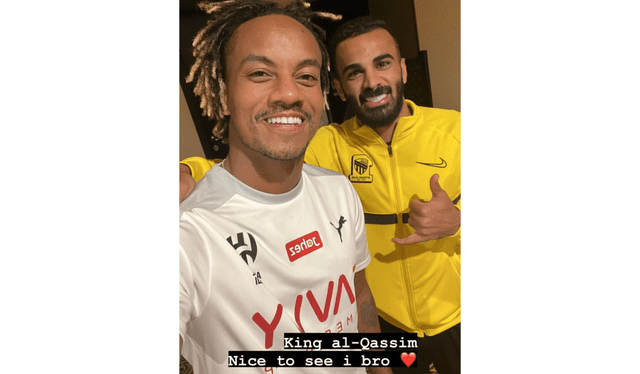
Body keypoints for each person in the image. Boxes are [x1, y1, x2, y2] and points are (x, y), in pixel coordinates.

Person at [181, 15, 460, 374]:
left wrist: (458, 223)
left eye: (383, 64)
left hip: (455, 316)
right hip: (387, 325)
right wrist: (191, 171)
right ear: (340, 89)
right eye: (355, 72)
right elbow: (262, 155)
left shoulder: (457, 130)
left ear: (403, 70)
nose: (373, 81)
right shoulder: (327, 144)